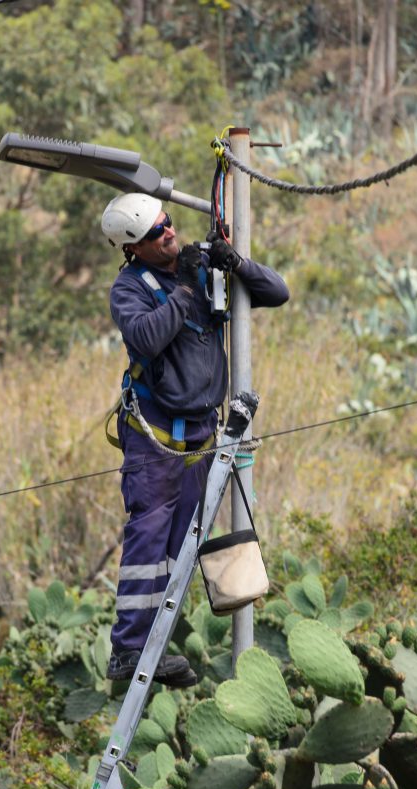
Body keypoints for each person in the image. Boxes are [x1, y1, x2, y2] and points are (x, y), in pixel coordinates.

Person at [101, 192, 289, 687]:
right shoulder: (131, 288)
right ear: (132, 248)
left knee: (183, 545)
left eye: (167, 223)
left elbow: (277, 292)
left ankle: (155, 647)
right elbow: (144, 337)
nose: (168, 232)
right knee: (148, 541)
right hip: (156, 440)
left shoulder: (202, 266)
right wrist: (184, 291)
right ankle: (128, 651)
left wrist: (236, 263)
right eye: (155, 232)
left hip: (203, 439)